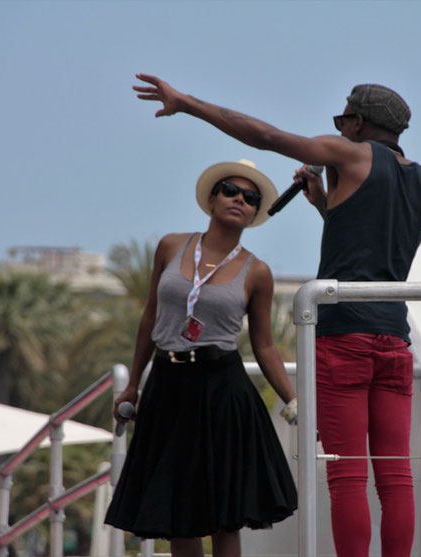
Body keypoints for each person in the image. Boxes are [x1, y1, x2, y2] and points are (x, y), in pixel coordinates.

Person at [132, 74, 421, 557]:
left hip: (344, 338)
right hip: (394, 341)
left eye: (343, 121)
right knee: (396, 474)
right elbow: (377, 241)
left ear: (357, 123)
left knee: (345, 472)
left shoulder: (350, 155)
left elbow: (268, 138)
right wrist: (326, 205)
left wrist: (188, 104)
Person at [104, 158, 298, 557]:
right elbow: (150, 317)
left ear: (255, 213)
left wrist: (291, 399)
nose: (239, 200)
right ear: (211, 199)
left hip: (222, 391)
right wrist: (134, 385)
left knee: (223, 511)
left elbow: (264, 345)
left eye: (251, 198)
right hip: (168, 384)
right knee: (178, 508)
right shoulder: (172, 246)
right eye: (230, 190)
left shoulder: (257, 271)